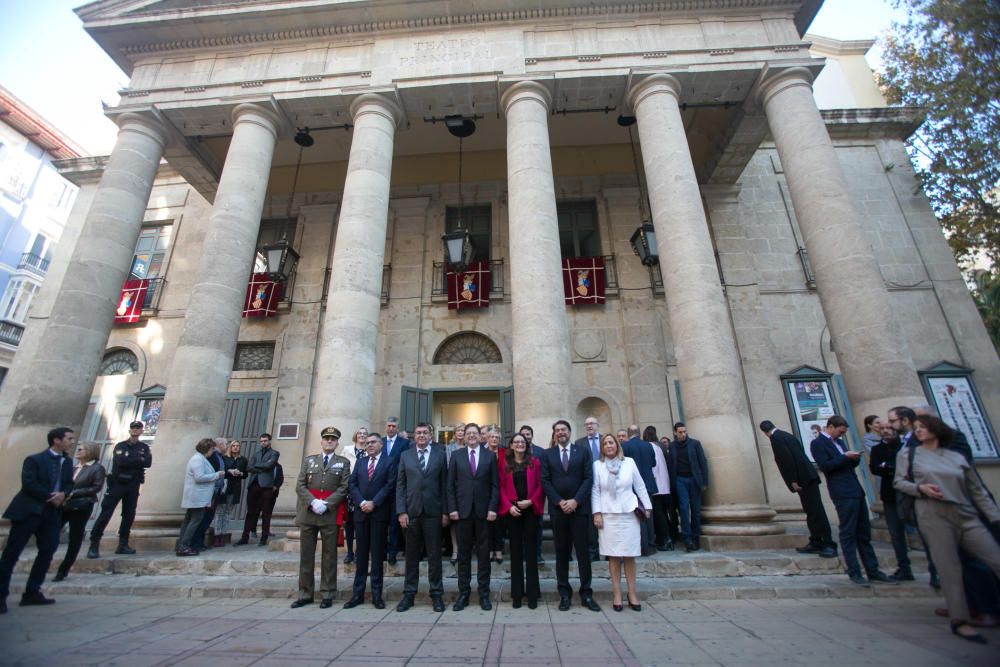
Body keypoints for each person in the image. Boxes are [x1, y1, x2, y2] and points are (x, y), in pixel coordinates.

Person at [894, 415, 1000, 644]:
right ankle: (960, 620)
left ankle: (984, 607)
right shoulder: (909, 454)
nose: (918, 431)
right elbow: (899, 482)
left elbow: (978, 490)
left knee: (993, 558)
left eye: (923, 427)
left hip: (966, 514)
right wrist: (920, 488)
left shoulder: (956, 455)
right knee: (949, 569)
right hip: (933, 515)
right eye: (917, 428)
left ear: (937, 429)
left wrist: (995, 519)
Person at [810, 415, 895, 587]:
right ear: (831, 427)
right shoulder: (818, 443)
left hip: (855, 490)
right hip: (842, 492)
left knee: (863, 534)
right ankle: (854, 571)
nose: (841, 435)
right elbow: (825, 466)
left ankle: (873, 570)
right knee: (848, 533)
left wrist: (853, 460)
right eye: (840, 431)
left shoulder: (839, 443)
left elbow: (843, 465)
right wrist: (845, 457)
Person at [0, 427, 76, 613]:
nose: (72, 442)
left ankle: (32, 591)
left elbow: (69, 483)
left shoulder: (67, 461)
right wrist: (52, 496)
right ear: (56, 440)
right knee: (12, 554)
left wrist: (64, 494)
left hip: (51, 514)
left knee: (48, 550)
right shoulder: (34, 460)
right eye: (69, 438)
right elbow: (29, 483)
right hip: (29, 512)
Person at [540, 419, 601, 612]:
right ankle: (564, 594)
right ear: (554, 434)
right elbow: (545, 481)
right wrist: (559, 501)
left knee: (583, 554)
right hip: (558, 511)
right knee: (562, 553)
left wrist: (575, 501)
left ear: (569, 432)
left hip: (579, 510)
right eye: (557, 430)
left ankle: (586, 593)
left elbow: (588, 478)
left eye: (563, 429)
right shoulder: (547, 454)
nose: (560, 433)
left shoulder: (582, 452)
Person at [292, 426, 350, 609]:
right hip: (309, 513)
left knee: (329, 556)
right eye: (327, 438)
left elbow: (344, 487)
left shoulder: (343, 462)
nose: (329, 441)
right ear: (322, 441)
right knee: (306, 556)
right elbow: (300, 485)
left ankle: (327, 593)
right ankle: (305, 593)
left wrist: (327, 503)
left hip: (329, 514)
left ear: (337, 442)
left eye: (333, 439)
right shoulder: (309, 461)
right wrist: (312, 502)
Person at [759, 420, 836, 558]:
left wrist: (793, 480)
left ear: (764, 432)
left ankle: (828, 543)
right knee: (813, 511)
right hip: (808, 477)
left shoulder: (776, 438)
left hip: (803, 479)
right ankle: (816, 541)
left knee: (815, 511)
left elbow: (787, 460)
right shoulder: (786, 435)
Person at [593, 433, 652, 612]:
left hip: (628, 513)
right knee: (613, 556)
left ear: (617, 445)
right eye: (605, 444)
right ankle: (617, 593)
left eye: (611, 442)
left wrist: (647, 507)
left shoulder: (629, 462)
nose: (608, 445)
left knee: (629, 554)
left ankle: (632, 593)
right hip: (608, 515)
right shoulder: (598, 465)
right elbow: (595, 491)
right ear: (602, 448)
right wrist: (596, 513)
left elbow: (640, 486)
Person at [395, 422, 448, 613]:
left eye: (425, 432)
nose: (422, 435)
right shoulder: (405, 456)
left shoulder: (440, 455)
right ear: (413, 436)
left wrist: (445, 512)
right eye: (418, 433)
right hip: (411, 513)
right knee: (411, 557)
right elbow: (400, 485)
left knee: (435, 556)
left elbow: (445, 486)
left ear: (431, 435)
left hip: (434, 513)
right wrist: (401, 511)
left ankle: (436, 595)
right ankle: (409, 595)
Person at [446, 422, 499, 611]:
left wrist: (493, 508)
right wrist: (452, 508)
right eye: (468, 433)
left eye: (474, 433)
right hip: (462, 513)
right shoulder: (456, 455)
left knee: (484, 556)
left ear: (480, 436)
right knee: (463, 556)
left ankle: (484, 594)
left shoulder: (489, 456)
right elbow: (450, 485)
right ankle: (464, 594)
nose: (471, 436)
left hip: (484, 513)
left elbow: (495, 485)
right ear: (464, 436)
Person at [344, 432, 397, 610]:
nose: (370, 445)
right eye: (367, 443)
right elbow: (352, 484)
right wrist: (361, 502)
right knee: (360, 556)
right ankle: (357, 594)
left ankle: (376, 595)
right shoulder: (360, 462)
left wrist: (374, 502)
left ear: (381, 444)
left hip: (379, 514)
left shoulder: (389, 462)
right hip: (361, 513)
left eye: (373, 442)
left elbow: (390, 485)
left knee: (376, 556)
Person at [87, 420, 152, 558]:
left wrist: (133, 460)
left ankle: (123, 544)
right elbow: (121, 461)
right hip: (118, 483)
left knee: (129, 514)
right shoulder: (121, 445)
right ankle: (94, 543)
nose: (135, 430)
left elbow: (148, 462)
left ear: (141, 431)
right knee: (106, 513)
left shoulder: (144, 447)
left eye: (138, 428)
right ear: (130, 430)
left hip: (133, 484)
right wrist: (137, 460)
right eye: (133, 428)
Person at [499, 433, 543, 609]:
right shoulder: (504, 465)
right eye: (516, 442)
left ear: (526, 444)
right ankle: (517, 594)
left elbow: (541, 484)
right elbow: (500, 488)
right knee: (516, 554)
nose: (519, 444)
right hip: (513, 511)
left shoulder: (535, 462)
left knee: (531, 554)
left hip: (530, 509)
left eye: (522, 442)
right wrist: (509, 506)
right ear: (511, 445)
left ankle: (533, 594)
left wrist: (531, 501)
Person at [54, 441, 107, 581]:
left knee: (75, 538)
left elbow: (96, 487)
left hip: (81, 506)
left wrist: (72, 493)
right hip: (63, 505)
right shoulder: (73, 467)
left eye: (81, 449)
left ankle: (63, 569)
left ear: (90, 451)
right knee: (51, 533)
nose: (78, 451)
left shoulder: (97, 468)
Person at [869, 424, 913, 580]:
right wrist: (891, 468)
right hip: (890, 496)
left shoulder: (905, 447)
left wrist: (887, 467)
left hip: (910, 495)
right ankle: (904, 568)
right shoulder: (877, 450)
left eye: (889, 428)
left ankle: (935, 570)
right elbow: (875, 468)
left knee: (923, 532)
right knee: (896, 534)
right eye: (883, 430)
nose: (886, 431)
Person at [177, 438, 226, 557]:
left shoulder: (200, 458)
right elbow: (199, 477)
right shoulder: (197, 460)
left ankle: (182, 544)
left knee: (189, 521)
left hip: (198, 496)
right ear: (207, 449)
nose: (212, 451)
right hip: (197, 496)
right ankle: (184, 546)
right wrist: (217, 475)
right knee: (195, 521)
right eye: (212, 449)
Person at [668, 422, 708, 552]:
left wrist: (704, 482)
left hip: (694, 480)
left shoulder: (695, 444)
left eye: (684, 431)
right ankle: (687, 539)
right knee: (684, 509)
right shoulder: (672, 446)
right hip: (680, 479)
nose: (683, 434)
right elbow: (670, 465)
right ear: (675, 433)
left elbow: (703, 462)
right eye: (680, 432)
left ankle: (696, 538)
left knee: (695, 510)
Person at [237, 432, 280, 546]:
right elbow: (249, 468)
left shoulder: (274, 453)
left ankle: (263, 538)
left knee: (266, 513)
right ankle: (244, 537)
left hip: (266, 486)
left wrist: (257, 466)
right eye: (261, 441)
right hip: (254, 484)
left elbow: (269, 465)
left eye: (265, 441)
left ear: (269, 441)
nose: (263, 443)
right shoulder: (256, 454)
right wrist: (261, 466)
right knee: (250, 512)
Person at [192, 437, 228, 552]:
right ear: (220, 444)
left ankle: (200, 542)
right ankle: (196, 543)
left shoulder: (219, 457)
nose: (227, 446)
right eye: (226, 444)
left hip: (216, 491)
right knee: (203, 518)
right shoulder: (212, 457)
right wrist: (218, 475)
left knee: (207, 518)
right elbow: (205, 474)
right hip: (211, 491)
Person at [383, 417, 410, 565]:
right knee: (381, 521)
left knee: (394, 522)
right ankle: (381, 550)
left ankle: (393, 551)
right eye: (389, 426)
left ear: (398, 428)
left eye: (394, 426)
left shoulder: (405, 443)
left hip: (396, 488)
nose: (391, 428)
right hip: (380, 488)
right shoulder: (379, 441)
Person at [575, 416, 603, 560]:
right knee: (591, 519)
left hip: (606, 485)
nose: (589, 426)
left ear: (597, 425)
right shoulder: (579, 443)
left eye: (591, 423)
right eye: (586, 424)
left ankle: (610, 551)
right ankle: (593, 550)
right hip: (587, 485)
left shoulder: (606, 440)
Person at [519, 423, 546, 565]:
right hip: (519, 497)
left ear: (532, 436)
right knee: (522, 528)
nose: (526, 436)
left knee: (538, 526)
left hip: (536, 496)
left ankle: (537, 553)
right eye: (523, 434)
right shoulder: (515, 452)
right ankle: (523, 553)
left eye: (528, 434)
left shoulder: (541, 452)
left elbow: (543, 475)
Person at [212, 440, 247, 547]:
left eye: (238, 446)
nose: (236, 447)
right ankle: (217, 536)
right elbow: (221, 470)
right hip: (225, 487)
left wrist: (240, 473)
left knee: (227, 513)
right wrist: (229, 471)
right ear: (230, 448)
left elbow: (245, 474)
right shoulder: (224, 458)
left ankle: (223, 536)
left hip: (235, 488)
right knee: (220, 512)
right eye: (233, 446)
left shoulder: (243, 460)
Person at [343, 427, 368, 565]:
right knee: (349, 523)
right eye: (360, 433)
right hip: (348, 491)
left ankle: (359, 551)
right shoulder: (347, 449)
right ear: (356, 435)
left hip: (362, 490)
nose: (362, 436)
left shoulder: (369, 450)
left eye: (365, 434)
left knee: (361, 523)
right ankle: (349, 552)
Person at [648, 427, 674, 551]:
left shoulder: (652, 448)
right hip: (664, 487)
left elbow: (654, 467)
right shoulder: (659, 447)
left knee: (659, 515)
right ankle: (666, 537)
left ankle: (665, 539)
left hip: (657, 487)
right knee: (663, 513)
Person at [444, 423, 465, 565]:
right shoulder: (449, 448)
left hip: (469, 489)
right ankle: (455, 550)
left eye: (463, 430)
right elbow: (447, 467)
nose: (460, 432)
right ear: (454, 432)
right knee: (454, 521)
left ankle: (465, 550)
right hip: (455, 488)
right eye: (458, 430)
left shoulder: (472, 447)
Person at [485, 427, 505, 563]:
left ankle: (498, 549)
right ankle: (489, 549)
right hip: (485, 491)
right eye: (492, 436)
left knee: (499, 522)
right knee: (487, 522)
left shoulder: (505, 452)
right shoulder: (482, 452)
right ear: (487, 438)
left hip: (503, 491)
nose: (494, 439)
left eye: (496, 437)